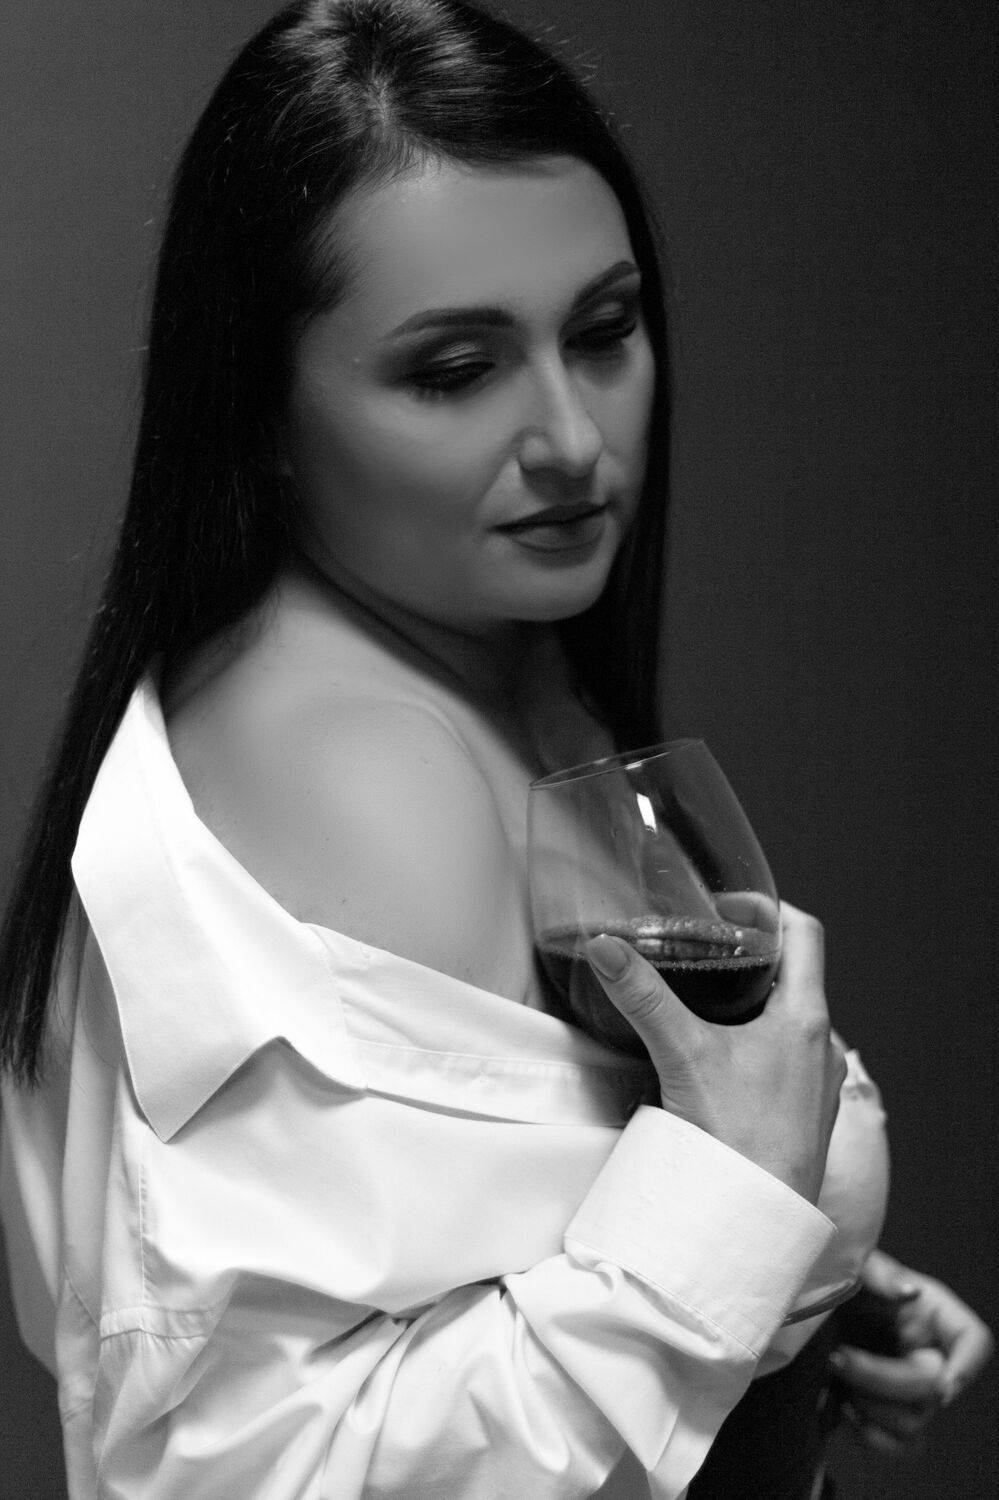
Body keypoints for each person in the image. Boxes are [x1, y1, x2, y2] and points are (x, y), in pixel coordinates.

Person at [0, 2, 991, 1496]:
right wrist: (734, 1205)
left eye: (603, 332)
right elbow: (240, 1468)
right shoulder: (363, 762)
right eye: (457, 369)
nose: (573, 441)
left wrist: (797, 1296)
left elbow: (477, 1238)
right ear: (260, 408)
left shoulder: (491, 664)